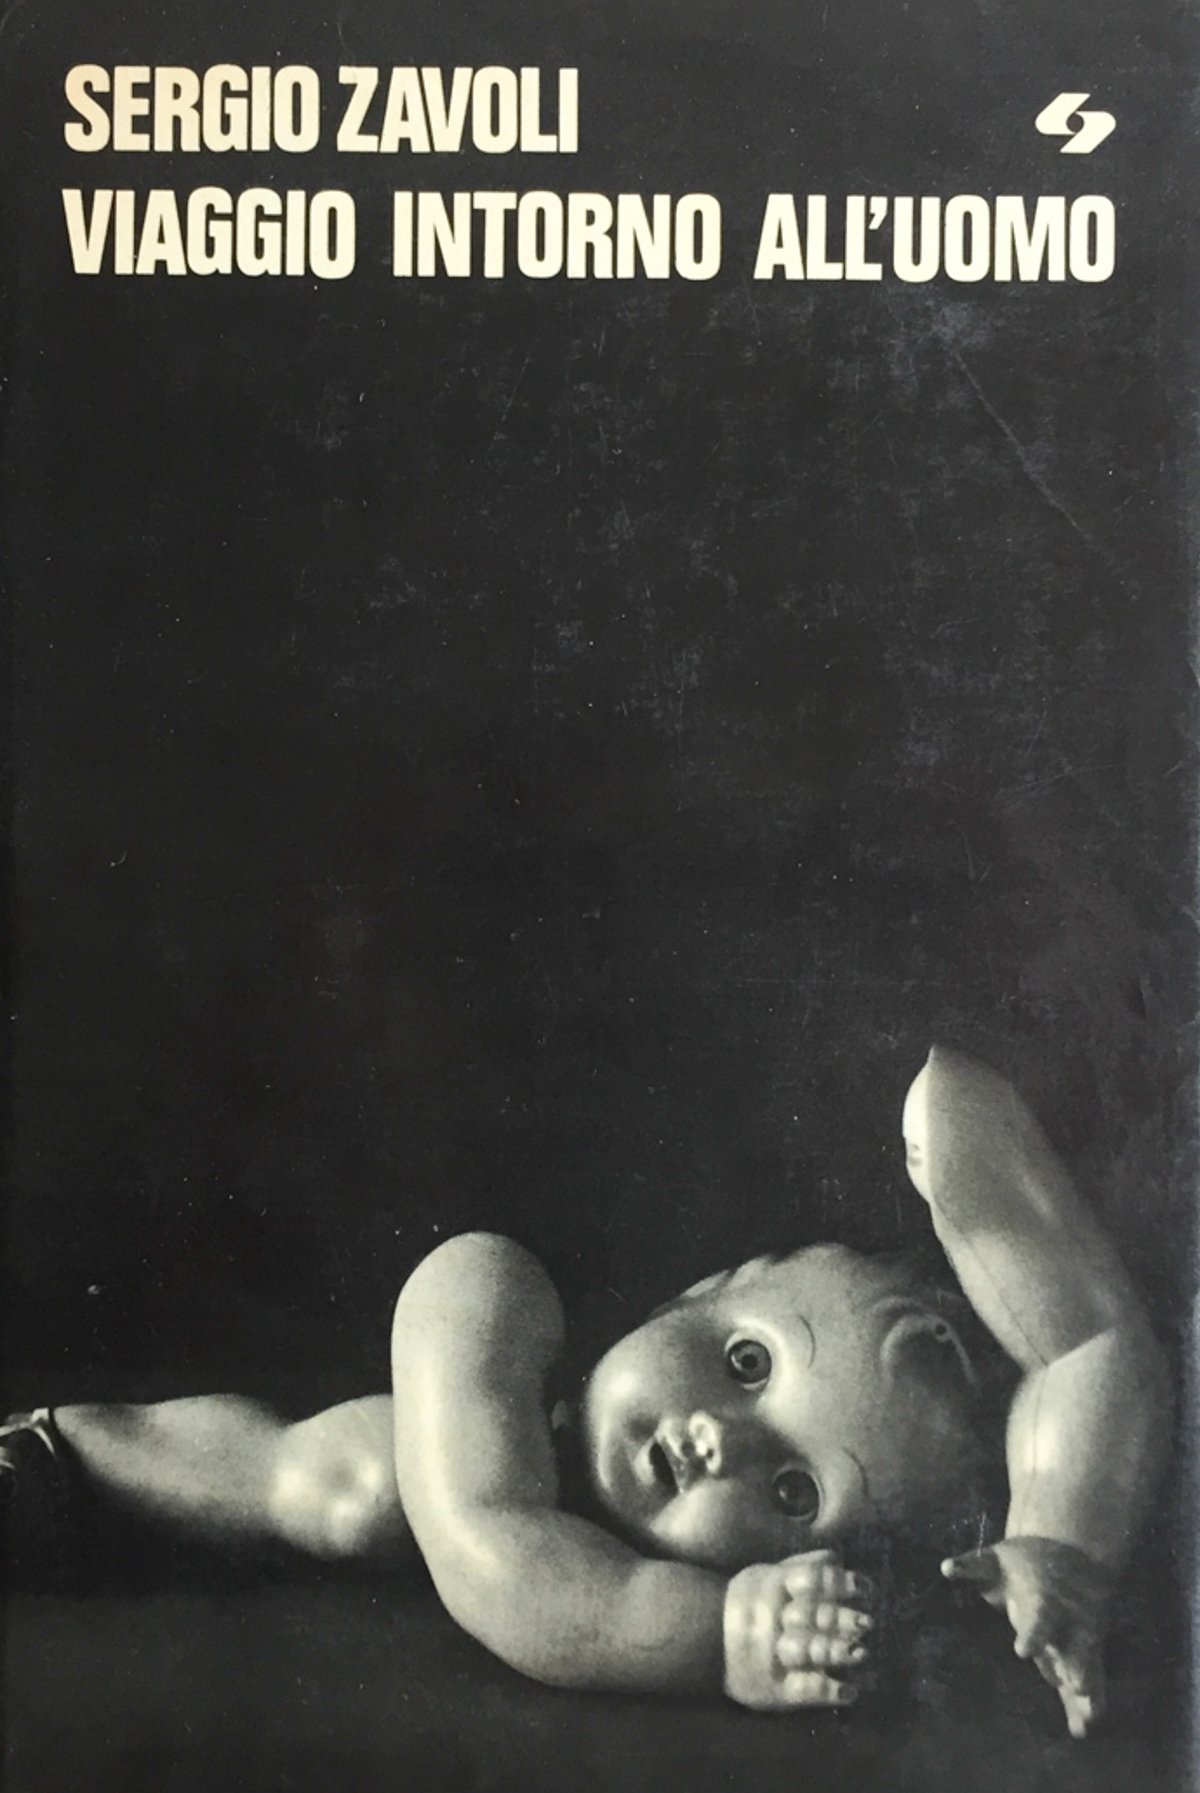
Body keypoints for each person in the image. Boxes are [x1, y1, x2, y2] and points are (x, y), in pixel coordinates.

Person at [0, 1048, 1169, 1738]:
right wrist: (723, 1638)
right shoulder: (495, 1296)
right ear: (707, 1288)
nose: (720, 1439)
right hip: (465, 1454)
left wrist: (1059, 1540)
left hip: (543, 1561)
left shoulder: (648, 1549)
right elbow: (498, 1548)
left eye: (793, 1489)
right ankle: (63, 1455)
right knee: (356, 1490)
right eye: (749, 1362)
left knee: (354, 1496)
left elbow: (1081, 1364)